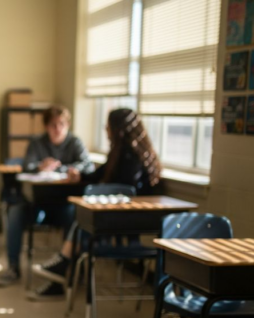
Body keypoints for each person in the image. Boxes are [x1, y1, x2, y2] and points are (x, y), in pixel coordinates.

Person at [31, 108, 163, 299]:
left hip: (127, 219)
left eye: (108, 126)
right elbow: (99, 174)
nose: (105, 129)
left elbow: (123, 188)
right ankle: (63, 269)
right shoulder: (121, 152)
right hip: (123, 217)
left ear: (117, 129)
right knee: (79, 220)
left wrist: (83, 176)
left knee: (81, 221)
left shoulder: (130, 157)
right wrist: (81, 175)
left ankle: (63, 265)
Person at [0, 105, 93, 288]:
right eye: (53, 125)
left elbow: (88, 165)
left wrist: (71, 169)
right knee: (14, 213)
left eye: (61, 124)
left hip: (63, 205)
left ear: (67, 125)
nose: (57, 129)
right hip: (36, 205)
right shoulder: (37, 142)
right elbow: (26, 166)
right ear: (46, 126)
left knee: (77, 217)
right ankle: (13, 267)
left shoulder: (75, 142)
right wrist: (40, 166)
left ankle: (69, 268)